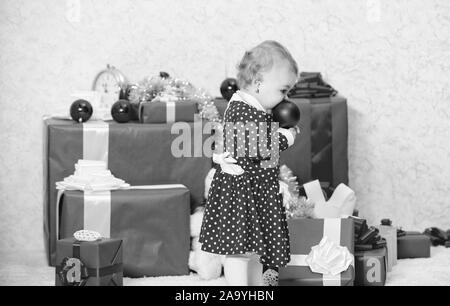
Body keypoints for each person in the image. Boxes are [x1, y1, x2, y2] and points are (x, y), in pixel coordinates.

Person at [199, 40, 299, 286]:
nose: (286, 99)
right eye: (283, 91)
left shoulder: (259, 108)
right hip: (241, 192)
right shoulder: (241, 110)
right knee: (239, 251)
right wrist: (285, 137)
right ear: (258, 82)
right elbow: (257, 146)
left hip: (258, 189)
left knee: (257, 250)